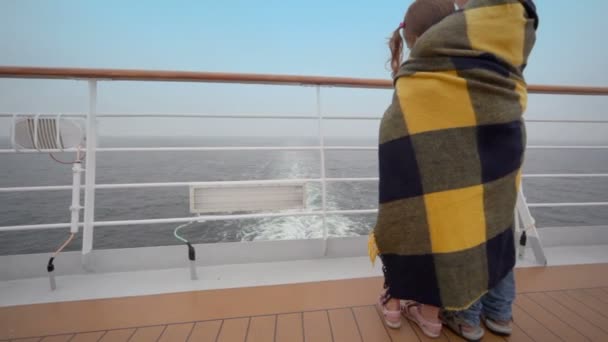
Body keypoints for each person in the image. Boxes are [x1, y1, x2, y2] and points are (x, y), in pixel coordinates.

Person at [370, 0, 539, 340]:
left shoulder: (419, 75)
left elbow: (398, 132)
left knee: (435, 230)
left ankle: (457, 317)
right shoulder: (495, 55)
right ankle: (493, 316)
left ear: (414, 38)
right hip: (497, 165)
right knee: (492, 233)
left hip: (436, 182)